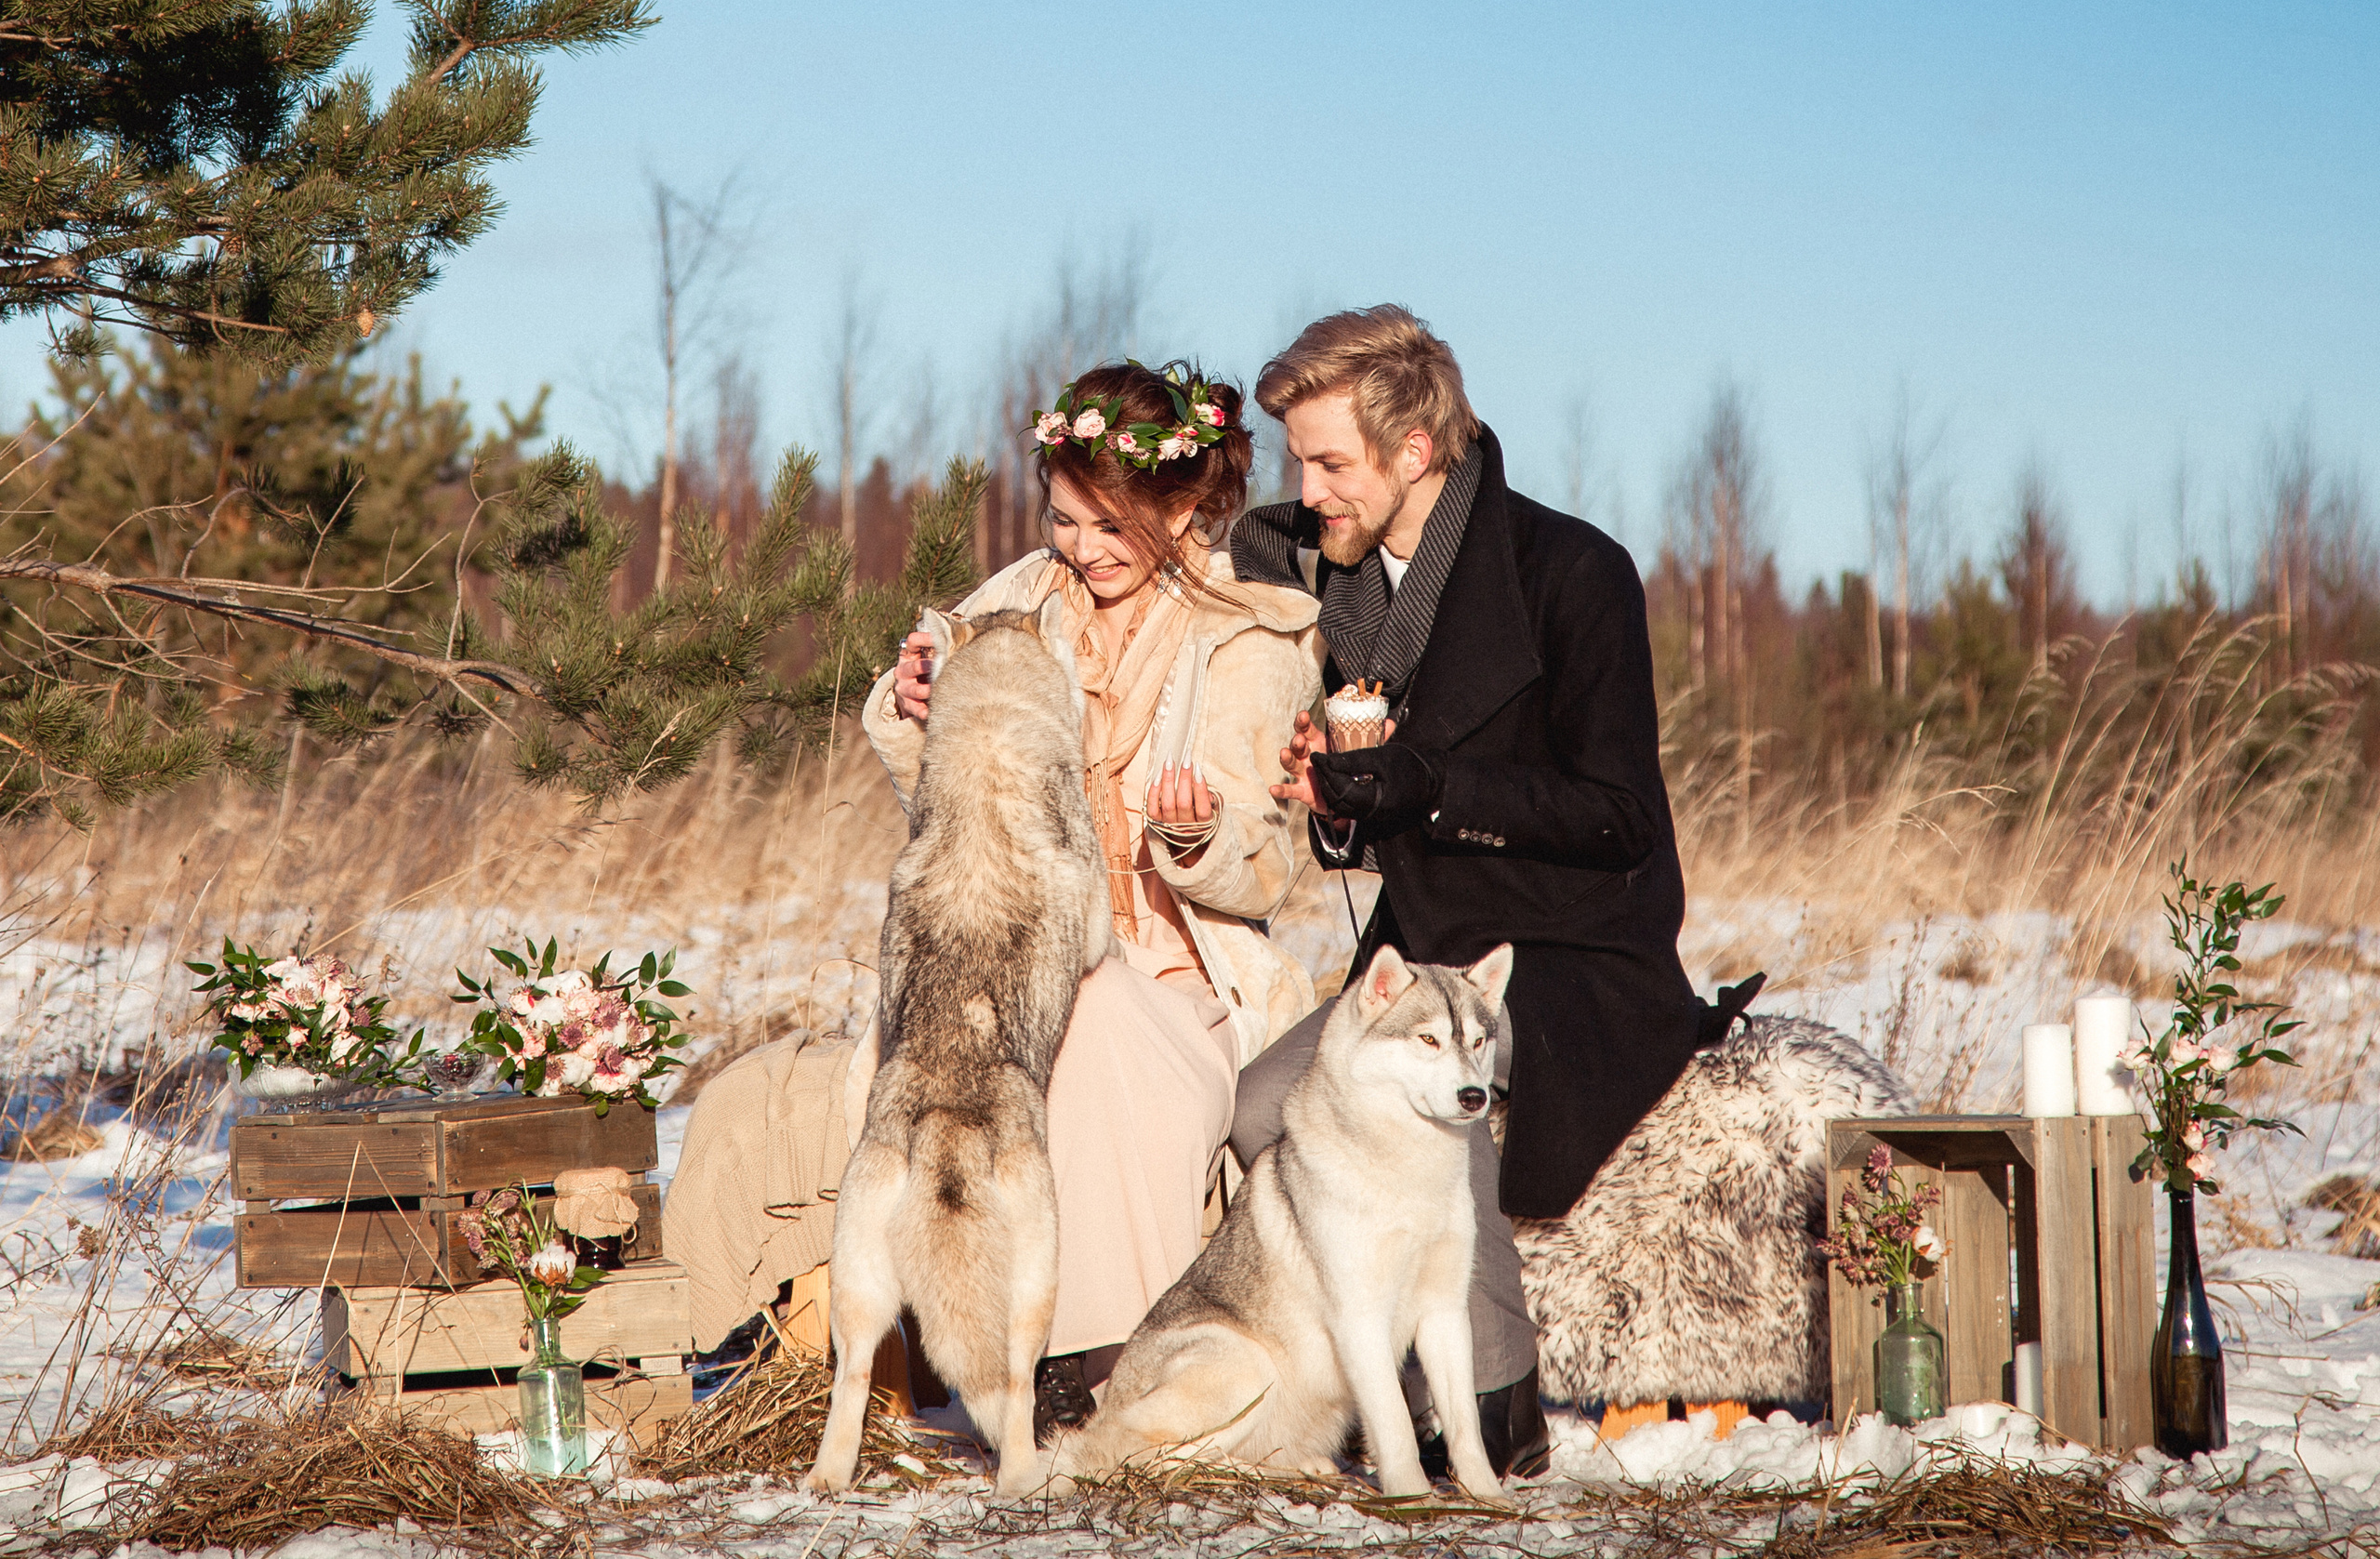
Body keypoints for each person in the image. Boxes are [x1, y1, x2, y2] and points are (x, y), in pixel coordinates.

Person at [1227, 306, 1754, 1479]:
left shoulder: (1571, 572)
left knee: (1426, 1076)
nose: (1305, 491)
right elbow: (1213, 556)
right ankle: (1340, 1382)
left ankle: (1493, 1396)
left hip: (1573, 945)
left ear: (1415, 449)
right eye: (1296, 462)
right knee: (1265, 1106)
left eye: (1329, 462)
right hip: (1432, 945)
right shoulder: (1345, 584)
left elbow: (1618, 816)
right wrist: (1339, 798)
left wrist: (1423, 784)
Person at [861, 358, 1323, 1440]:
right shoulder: (1011, 607)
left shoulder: (1254, 634)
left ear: (1186, 504)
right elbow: (944, 807)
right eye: (1067, 521)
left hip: (1179, 978)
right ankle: (962, 1346)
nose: (1084, 550)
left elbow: (1269, 869)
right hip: (1008, 949)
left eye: (1114, 527)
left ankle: (1097, 1364)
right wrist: (918, 704)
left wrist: (1199, 841)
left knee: (1099, 1014)